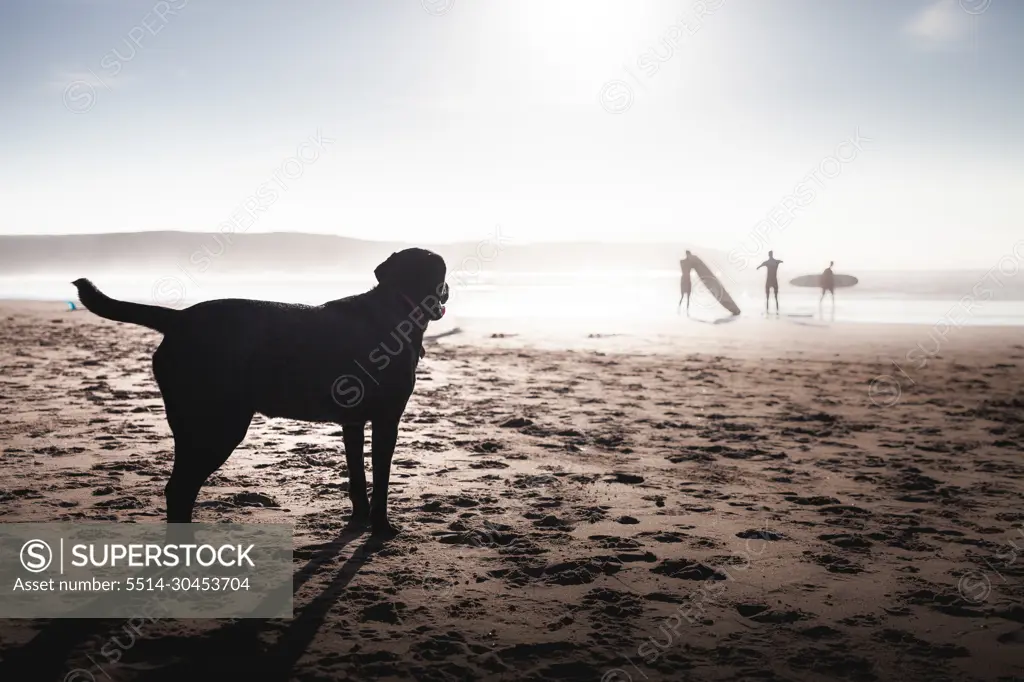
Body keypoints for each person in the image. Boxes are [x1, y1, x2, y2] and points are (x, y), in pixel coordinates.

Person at [677, 251, 694, 316]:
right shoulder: (683, 262)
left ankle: (687, 311)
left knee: (688, 297)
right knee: (682, 296)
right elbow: (681, 262)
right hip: (684, 280)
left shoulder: (689, 263)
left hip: (688, 280)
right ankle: (679, 308)